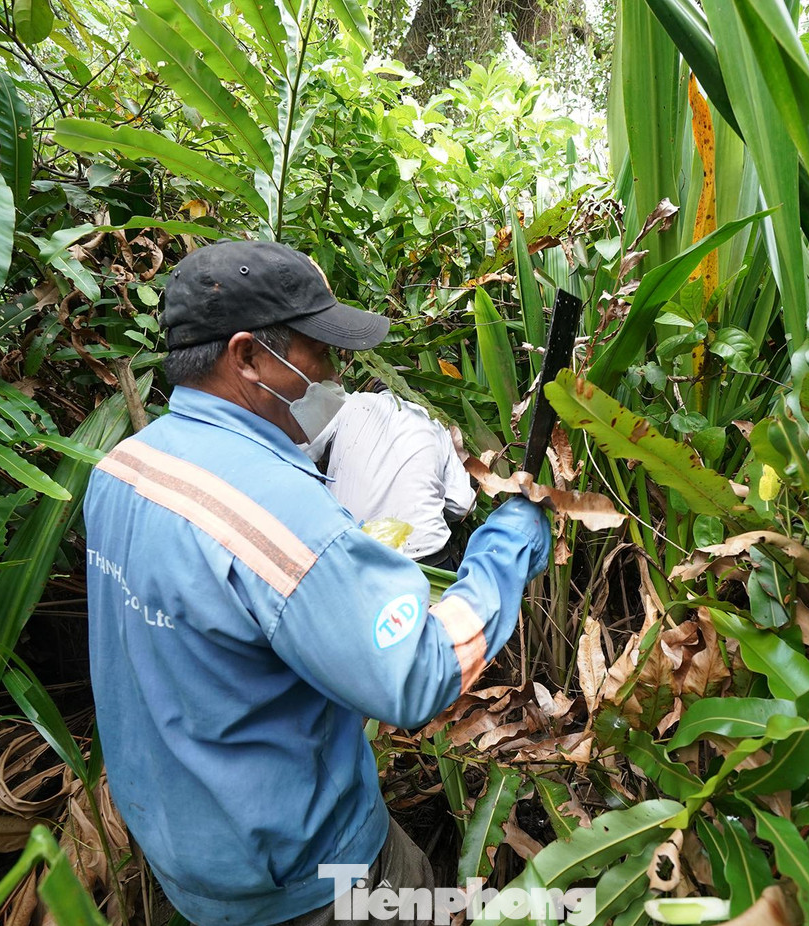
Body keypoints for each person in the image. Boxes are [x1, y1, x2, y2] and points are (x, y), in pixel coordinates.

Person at [83, 239, 551, 926]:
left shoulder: (122, 467)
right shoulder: (279, 515)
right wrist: (505, 551)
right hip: (304, 877)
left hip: (183, 855)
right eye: (320, 351)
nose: (334, 373)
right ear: (247, 356)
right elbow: (415, 677)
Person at [307, 386, 475, 568]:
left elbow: (303, 446)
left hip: (356, 555)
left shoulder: (351, 404)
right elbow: (462, 505)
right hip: (427, 559)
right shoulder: (437, 428)